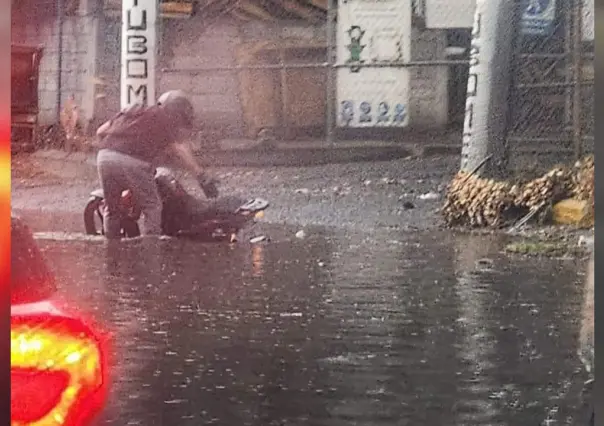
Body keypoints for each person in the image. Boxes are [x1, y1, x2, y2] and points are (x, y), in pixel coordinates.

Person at [95, 90, 219, 239]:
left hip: (104, 157)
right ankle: (151, 245)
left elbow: (100, 131)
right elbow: (179, 149)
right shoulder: (164, 118)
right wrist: (201, 175)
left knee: (112, 208)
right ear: (176, 112)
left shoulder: (134, 110)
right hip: (132, 161)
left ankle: (111, 245)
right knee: (152, 206)